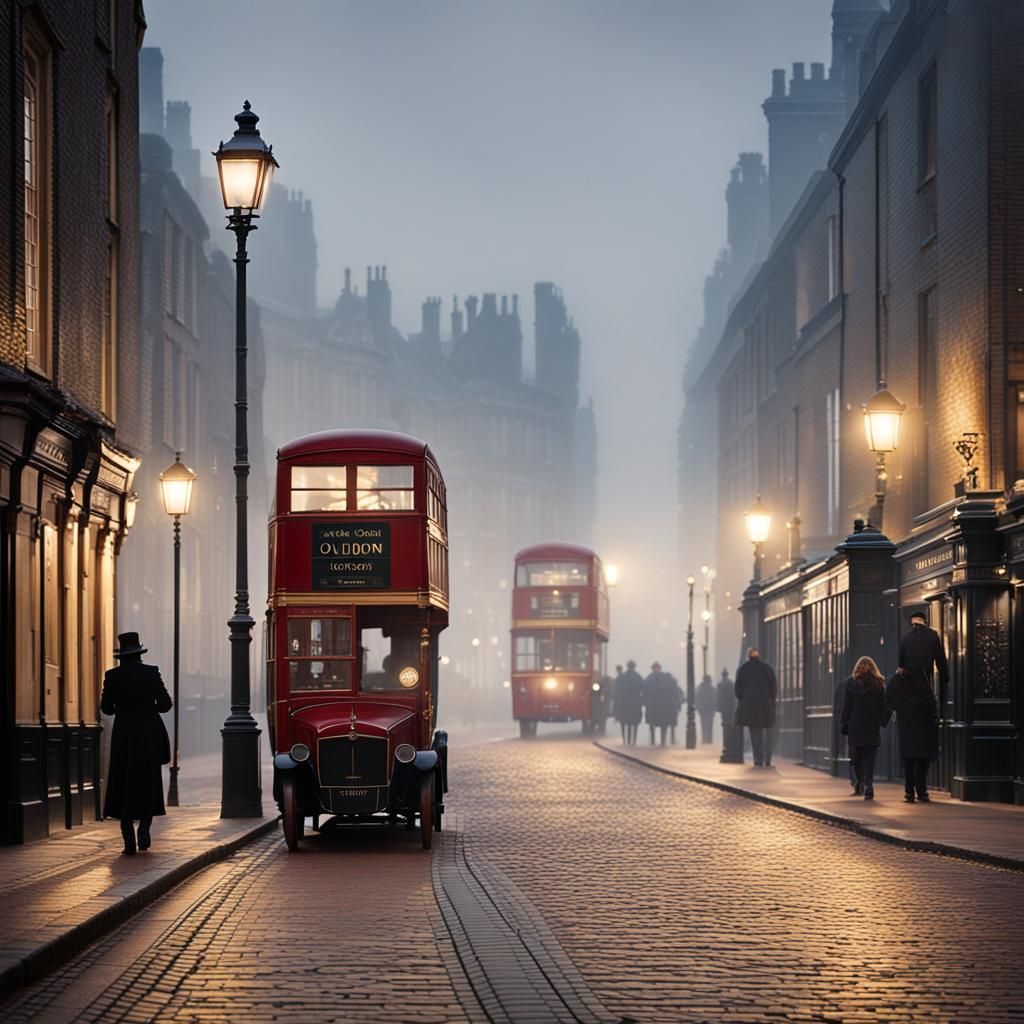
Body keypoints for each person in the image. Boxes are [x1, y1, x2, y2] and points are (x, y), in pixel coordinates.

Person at [101, 632, 173, 855]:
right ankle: (144, 828)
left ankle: (127, 837)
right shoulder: (151, 673)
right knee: (148, 781)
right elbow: (165, 704)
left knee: (123, 781)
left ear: (121, 656)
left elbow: (106, 709)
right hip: (148, 735)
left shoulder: (112, 676)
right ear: (139, 653)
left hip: (124, 735)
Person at [888, 611, 946, 802]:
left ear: (912, 621)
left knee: (908, 749)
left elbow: (901, 668)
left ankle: (908, 790)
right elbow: (942, 666)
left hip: (907, 704)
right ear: (925, 621)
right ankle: (922, 789)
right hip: (925, 701)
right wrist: (943, 691)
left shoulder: (905, 639)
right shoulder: (933, 636)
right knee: (925, 748)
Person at [840, 656, 892, 800]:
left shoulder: (853, 683)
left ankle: (861, 783)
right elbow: (886, 707)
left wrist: (844, 723)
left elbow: (847, 706)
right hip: (869, 726)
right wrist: (880, 722)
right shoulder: (878, 684)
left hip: (856, 725)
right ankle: (867, 784)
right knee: (869, 758)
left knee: (857, 757)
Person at [734, 648, 777, 767]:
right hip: (765, 705)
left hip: (750, 706)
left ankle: (758, 758)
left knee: (755, 733)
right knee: (768, 732)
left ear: (749, 656)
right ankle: (767, 758)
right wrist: (771, 700)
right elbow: (773, 687)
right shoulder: (766, 668)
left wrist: (744, 699)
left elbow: (738, 689)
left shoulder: (743, 669)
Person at [614, 660, 644, 746]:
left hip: (624, 703)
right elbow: (642, 690)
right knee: (634, 723)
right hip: (635, 703)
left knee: (624, 723)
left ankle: (625, 740)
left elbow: (618, 691)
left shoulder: (622, 677)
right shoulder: (638, 677)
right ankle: (633, 740)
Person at [717, 668, 742, 762]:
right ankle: (727, 747)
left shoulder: (721, 685)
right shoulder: (730, 684)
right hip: (729, 710)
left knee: (726, 729)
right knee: (728, 728)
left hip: (725, 710)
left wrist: (719, 708)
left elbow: (719, 698)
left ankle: (727, 747)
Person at [696, 674, 716, 744]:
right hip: (709, 710)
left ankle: (704, 738)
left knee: (703, 725)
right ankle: (709, 739)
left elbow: (697, 699)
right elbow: (714, 700)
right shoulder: (712, 689)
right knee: (709, 725)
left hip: (703, 710)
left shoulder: (700, 688)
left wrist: (698, 708)